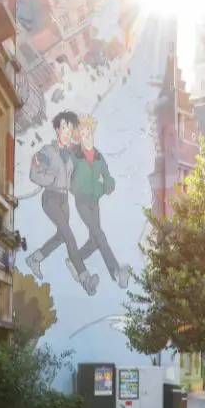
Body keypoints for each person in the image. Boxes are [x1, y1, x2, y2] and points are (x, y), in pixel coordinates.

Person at [27, 111, 98, 294]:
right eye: (64, 127)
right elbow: (34, 174)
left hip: (64, 200)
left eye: (70, 128)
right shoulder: (47, 152)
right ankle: (84, 277)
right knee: (69, 236)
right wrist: (49, 180)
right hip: (50, 198)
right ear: (57, 129)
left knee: (61, 236)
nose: (67, 131)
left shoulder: (70, 156)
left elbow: (73, 181)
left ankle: (35, 258)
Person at [71, 115, 133, 289]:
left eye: (89, 133)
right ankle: (116, 272)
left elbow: (108, 179)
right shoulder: (75, 155)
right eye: (83, 134)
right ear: (79, 138)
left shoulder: (99, 157)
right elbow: (68, 176)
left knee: (94, 241)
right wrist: (77, 186)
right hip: (81, 201)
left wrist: (106, 185)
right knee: (100, 235)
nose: (87, 136)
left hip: (94, 201)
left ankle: (74, 260)